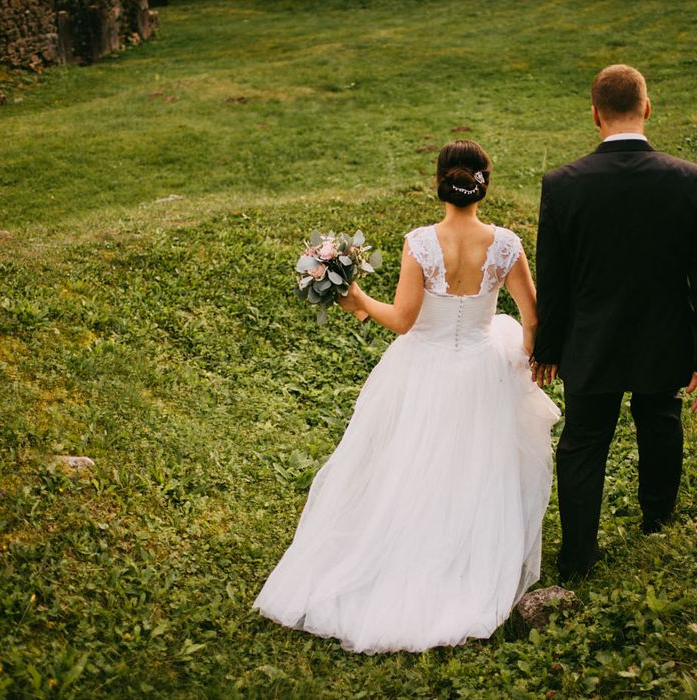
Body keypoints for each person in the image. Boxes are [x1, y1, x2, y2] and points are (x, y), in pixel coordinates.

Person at [253, 140, 560, 653]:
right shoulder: (506, 244)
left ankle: (404, 550)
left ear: (437, 180)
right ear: (486, 180)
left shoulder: (420, 242)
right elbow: (532, 318)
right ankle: (466, 557)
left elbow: (402, 320)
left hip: (423, 368)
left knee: (410, 462)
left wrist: (356, 298)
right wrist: (531, 357)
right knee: (477, 467)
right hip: (485, 368)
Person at [531, 64, 697, 581]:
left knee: (584, 440)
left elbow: (552, 280)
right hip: (665, 337)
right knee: (662, 423)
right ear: (646, 108)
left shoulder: (562, 184)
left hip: (590, 341)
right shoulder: (688, 180)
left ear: (595, 115)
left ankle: (577, 558)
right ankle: (656, 525)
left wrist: (549, 349)